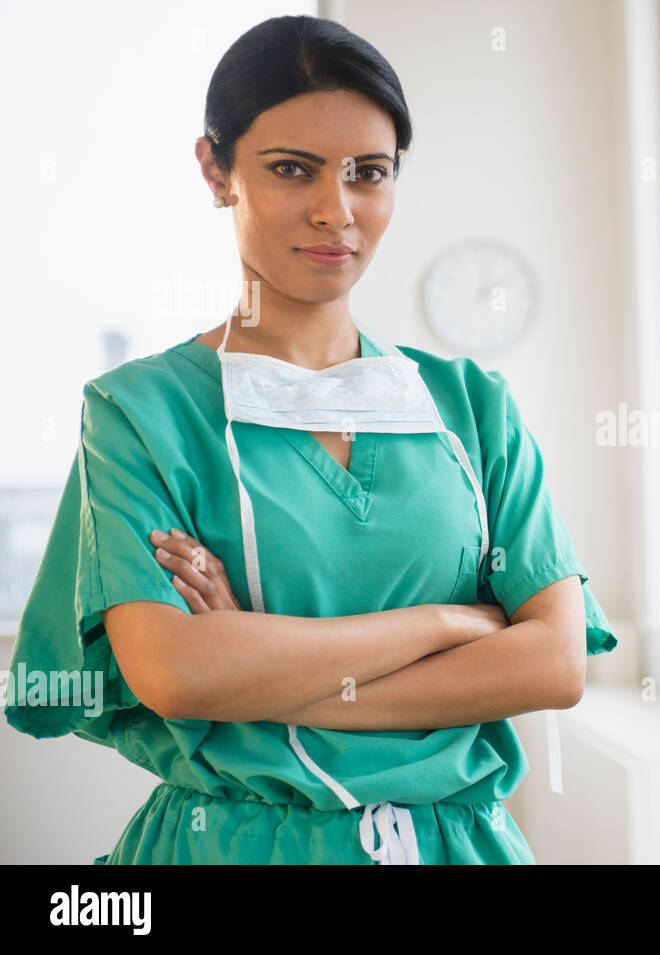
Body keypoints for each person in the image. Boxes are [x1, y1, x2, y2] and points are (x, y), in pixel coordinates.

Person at [2, 14, 617, 865]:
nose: (336, 211)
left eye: (369, 173)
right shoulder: (140, 413)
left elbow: (553, 665)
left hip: (459, 846)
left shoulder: (472, 407)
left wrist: (258, 665)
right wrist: (450, 621)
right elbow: (178, 673)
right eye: (292, 169)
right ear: (216, 171)